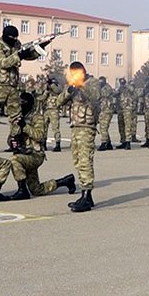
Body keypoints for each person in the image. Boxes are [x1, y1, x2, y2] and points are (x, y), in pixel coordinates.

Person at [8, 92, 77, 200]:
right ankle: (65, 181)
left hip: (35, 155)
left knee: (14, 160)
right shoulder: (18, 118)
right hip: (24, 154)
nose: (20, 105)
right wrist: (12, 141)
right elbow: (11, 138)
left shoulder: (37, 117)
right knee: (36, 190)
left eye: (23, 102)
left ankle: (22, 190)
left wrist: (25, 127)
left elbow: (40, 136)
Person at [56, 62, 103, 213]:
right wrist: (69, 90)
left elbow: (95, 97)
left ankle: (86, 194)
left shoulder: (92, 82)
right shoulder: (72, 84)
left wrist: (81, 86)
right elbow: (59, 101)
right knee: (77, 161)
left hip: (87, 128)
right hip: (75, 128)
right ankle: (86, 197)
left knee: (85, 162)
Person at [115, 77, 136, 149]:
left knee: (127, 125)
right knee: (121, 126)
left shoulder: (129, 88)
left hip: (127, 109)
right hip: (120, 109)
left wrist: (125, 85)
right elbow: (114, 94)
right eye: (121, 82)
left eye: (123, 82)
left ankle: (128, 142)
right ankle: (123, 141)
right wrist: (119, 89)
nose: (122, 84)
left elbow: (133, 90)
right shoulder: (120, 89)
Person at [44, 77, 64, 152]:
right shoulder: (48, 91)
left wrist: (52, 85)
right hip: (47, 110)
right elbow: (42, 98)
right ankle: (43, 144)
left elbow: (58, 90)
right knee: (44, 128)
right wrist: (46, 90)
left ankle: (58, 144)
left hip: (54, 110)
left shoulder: (58, 87)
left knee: (55, 128)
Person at [96, 77, 115, 151]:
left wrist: (99, 88)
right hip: (102, 110)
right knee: (103, 127)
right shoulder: (101, 88)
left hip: (107, 111)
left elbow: (105, 94)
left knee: (103, 127)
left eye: (101, 82)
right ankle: (108, 143)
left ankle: (104, 143)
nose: (100, 83)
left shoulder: (107, 88)